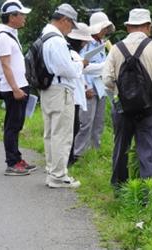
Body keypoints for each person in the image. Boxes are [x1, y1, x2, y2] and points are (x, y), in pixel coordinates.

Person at [102, 8, 152, 189]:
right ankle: (149, 195)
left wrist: (121, 91)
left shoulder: (116, 49)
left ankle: (119, 189)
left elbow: (107, 80)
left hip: (122, 108)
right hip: (149, 108)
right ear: (148, 26)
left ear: (128, 27)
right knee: (148, 151)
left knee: (121, 148)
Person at [40, 3, 88, 188]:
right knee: (62, 133)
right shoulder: (57, 40)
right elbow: (66, 69)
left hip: (48, 89)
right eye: (71, 25)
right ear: (64, 20)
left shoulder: (45, 35)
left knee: (51, 133)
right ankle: (58, 176)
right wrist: (80, 64)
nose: (71, 30)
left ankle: (52, 169)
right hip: (60, 90)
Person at [0, 0, 36, 176]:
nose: (24, 18)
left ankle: (17, 159)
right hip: (13, 89)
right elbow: (5, 66)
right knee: (12, 126)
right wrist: (16, 88)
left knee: (17, 124)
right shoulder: (3, 36)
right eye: (22, 15)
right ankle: (12, 163)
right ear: (12, 17)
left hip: (18, 86)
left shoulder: (10, 33)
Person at [73, 12, 115, 159]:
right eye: (104, 28)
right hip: (89, 87)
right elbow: (82, 66)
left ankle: (94, 150)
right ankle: (78, 153)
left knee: (99, 121)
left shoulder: (101, 43)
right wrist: (86, 87)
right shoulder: (86, 42)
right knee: (86, 122)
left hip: (101, 87)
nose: (106, 31)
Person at [66, 23, 92, 166]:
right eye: (84, 42)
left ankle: (70, 156)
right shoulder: (72, 54)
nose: (85, 45)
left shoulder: (72, 52)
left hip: (73, 95)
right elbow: (79, 71)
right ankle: (68, 158)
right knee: (72, 128)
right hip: (72, 96)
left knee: (74, 127)